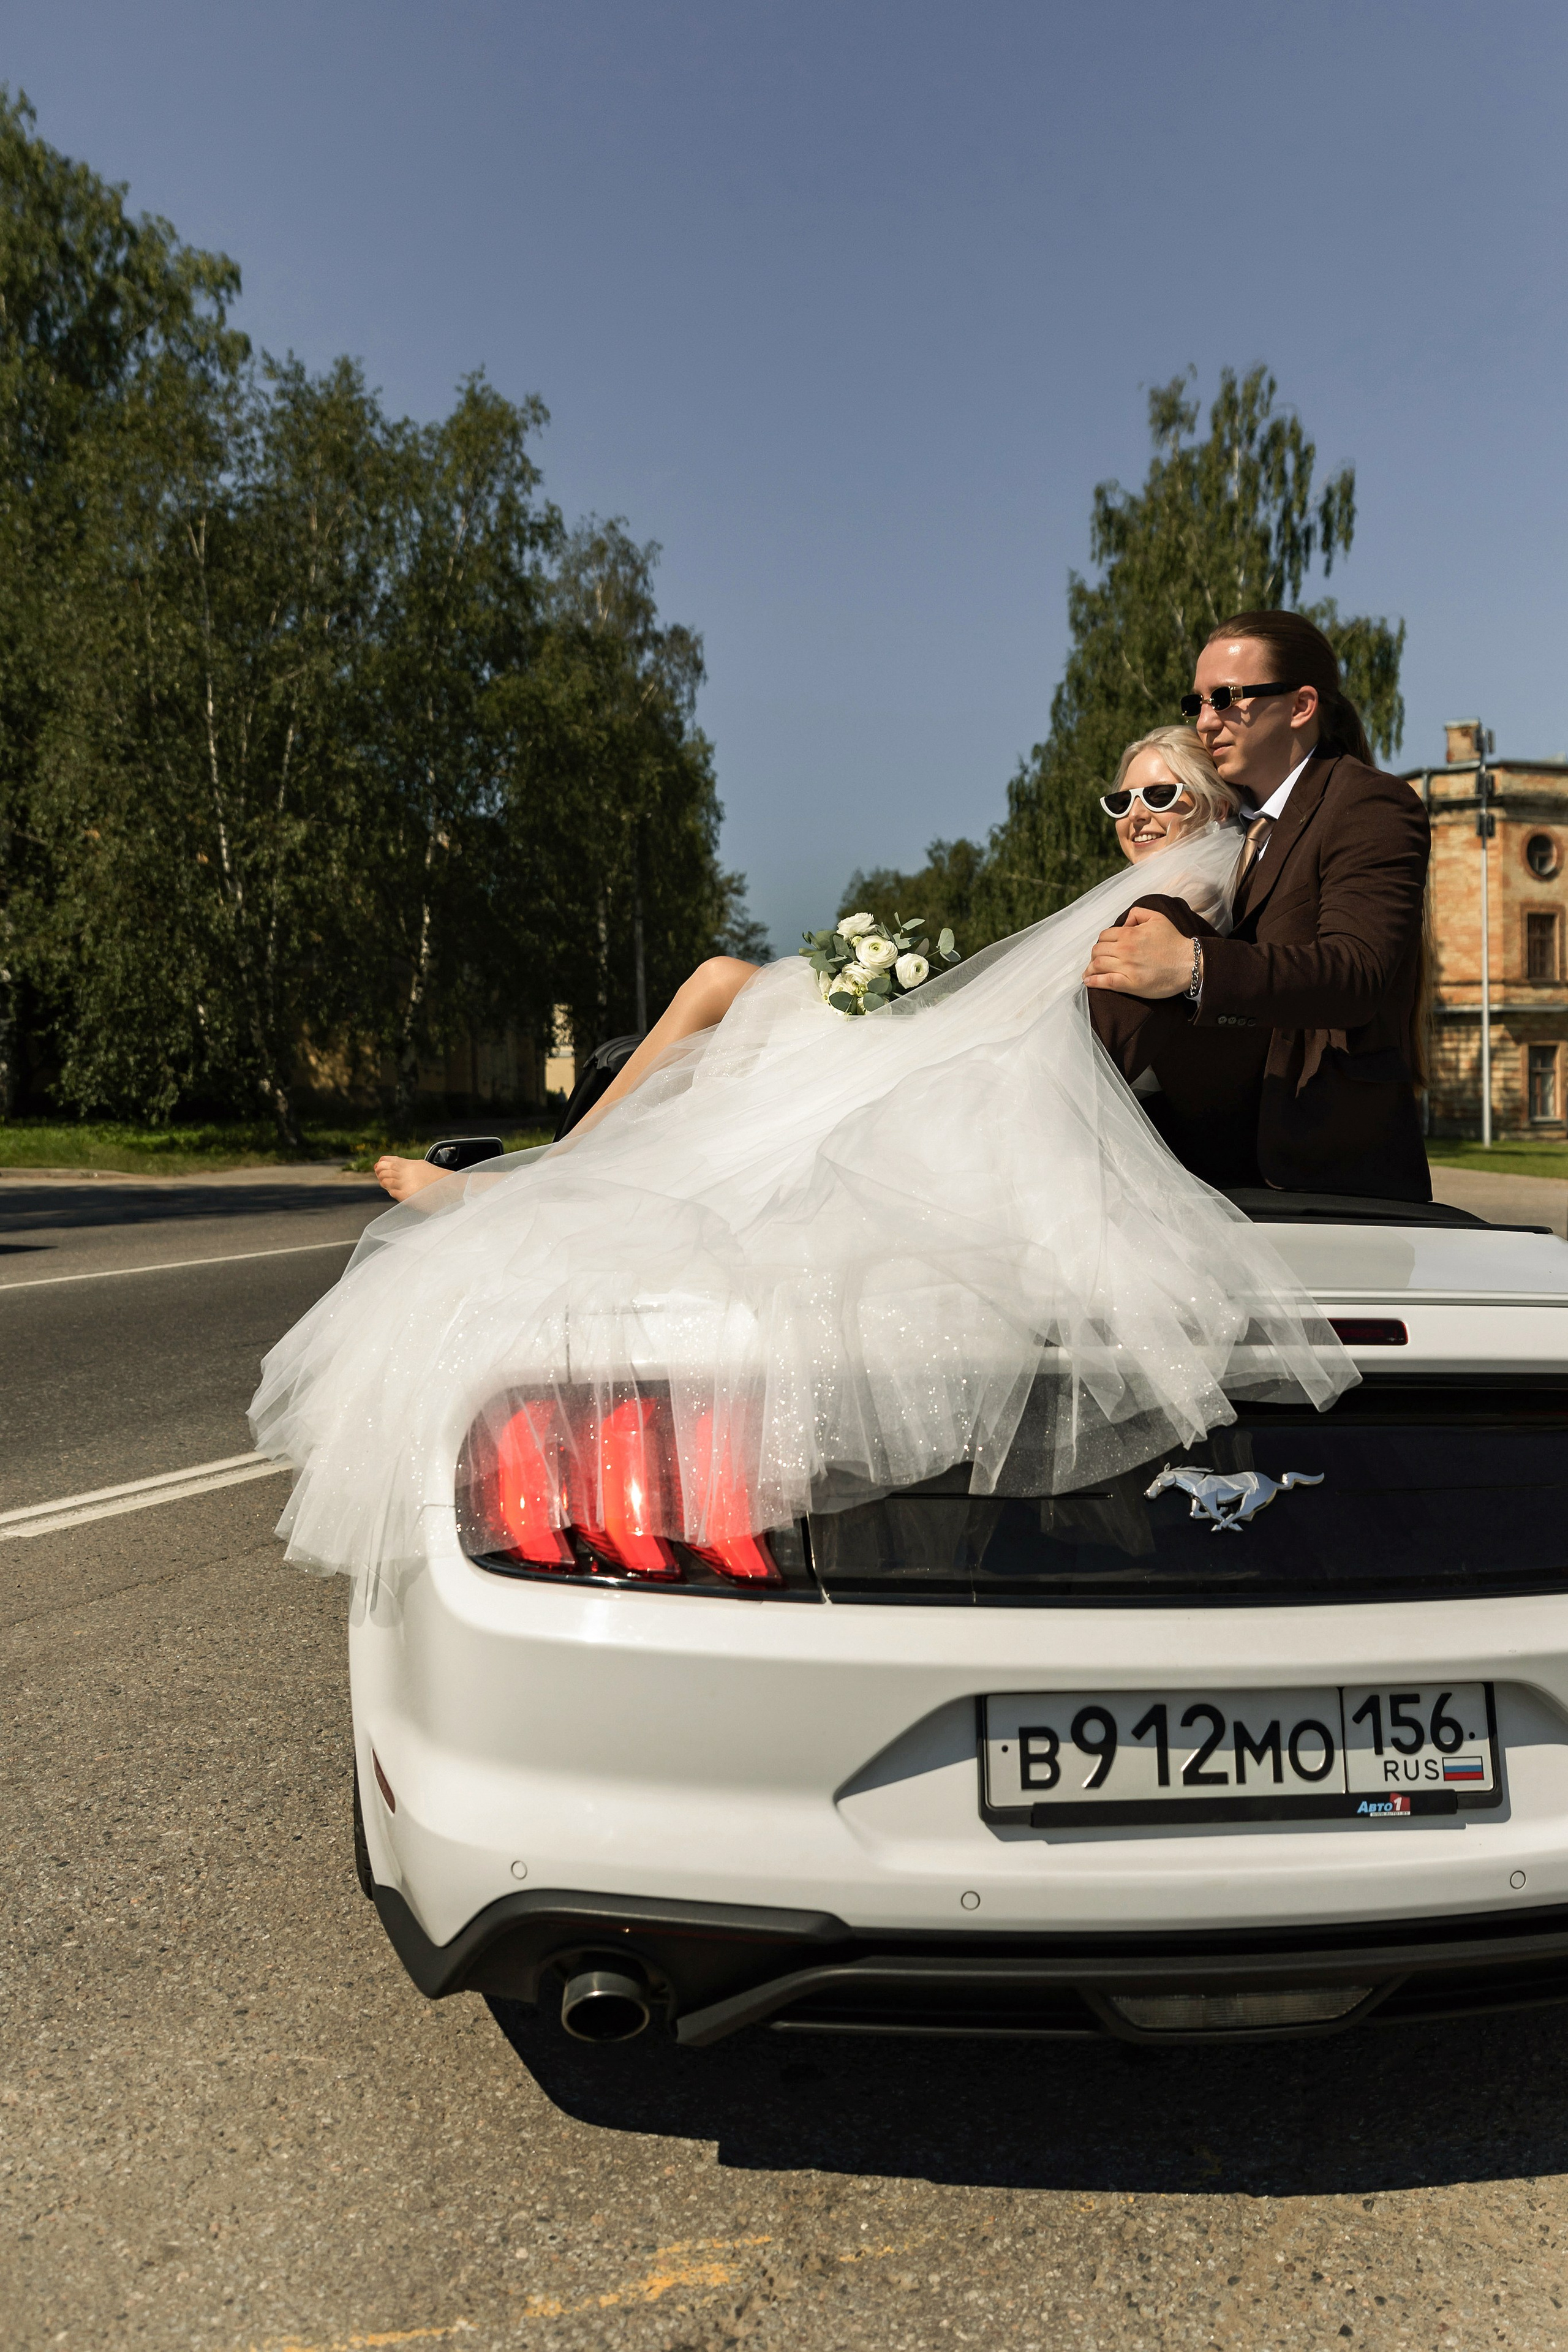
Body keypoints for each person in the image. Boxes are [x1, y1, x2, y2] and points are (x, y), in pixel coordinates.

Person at [252, 724, 1352, 1585]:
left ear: (1209, 804)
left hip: (1002, 1064)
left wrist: (917, 1013)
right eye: (1124, 798)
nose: (1139, 813)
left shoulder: (1196, 880)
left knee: (725, 994)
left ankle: (535, 1182)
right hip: (991, 1042)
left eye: (1163, 792)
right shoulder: (1181, 877)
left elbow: (1112, 977)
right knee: (728, 998)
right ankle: (539, 1178)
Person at [1084, 609, 1431, 1202]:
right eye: (1197, 704)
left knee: (1162, 920)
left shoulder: (1370, 803)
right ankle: (1032, 1096)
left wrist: (1194, 967)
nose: (1206, 721)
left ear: (1300, 706)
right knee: (1153, 915)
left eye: (1228, 698)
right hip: (1209, 1135)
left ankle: (1041, 1111)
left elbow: (1357, 972)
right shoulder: (1230, 827)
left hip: (1317, 1145)